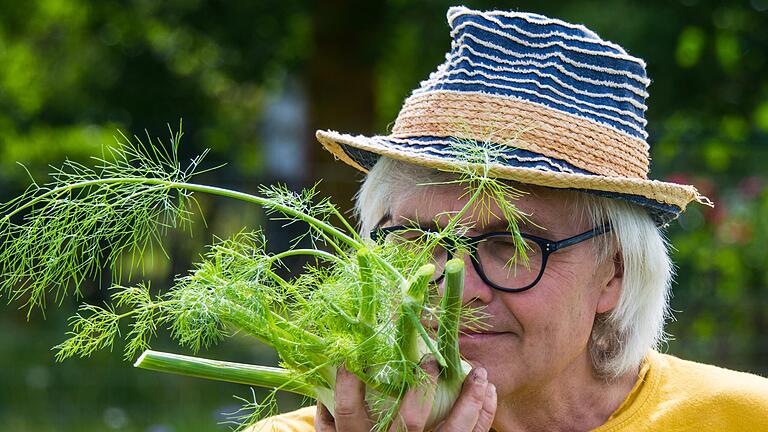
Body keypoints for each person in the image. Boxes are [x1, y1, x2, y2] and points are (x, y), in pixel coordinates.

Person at [255, 6, 768, 431]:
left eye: (512, 243)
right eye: (414, 238)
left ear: (613, 273)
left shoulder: (741, 418)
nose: (452, 284)